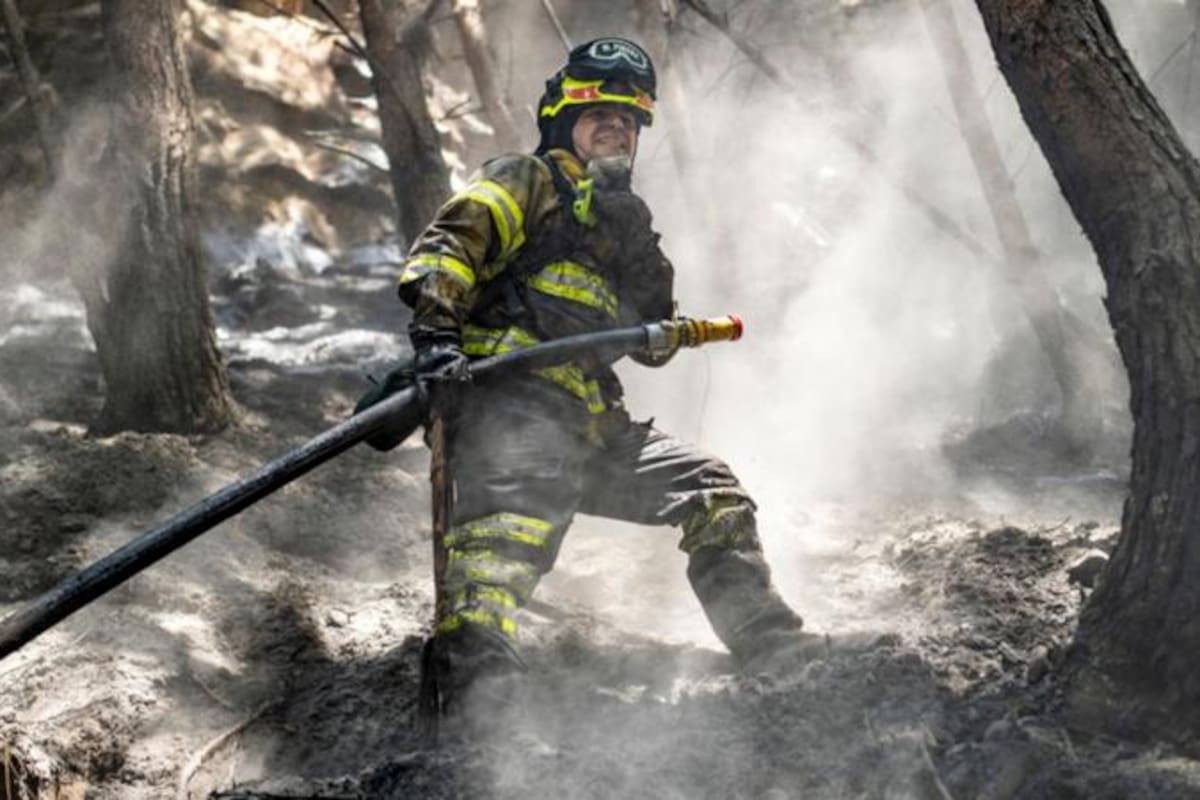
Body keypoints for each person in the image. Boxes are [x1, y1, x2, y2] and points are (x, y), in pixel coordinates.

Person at [398, 37, 820, 715]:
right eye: (600, 114)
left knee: (712, 493)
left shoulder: (625, 218)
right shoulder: (524, 180)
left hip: (596, 427)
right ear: (566, 119)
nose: (616, 127)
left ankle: (775, 650)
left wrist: (632, 228)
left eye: (628, 120)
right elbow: (451, 246)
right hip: (512, 409)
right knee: (505, 539)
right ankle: (482, 696)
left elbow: (653, 339)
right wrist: (437, 341)